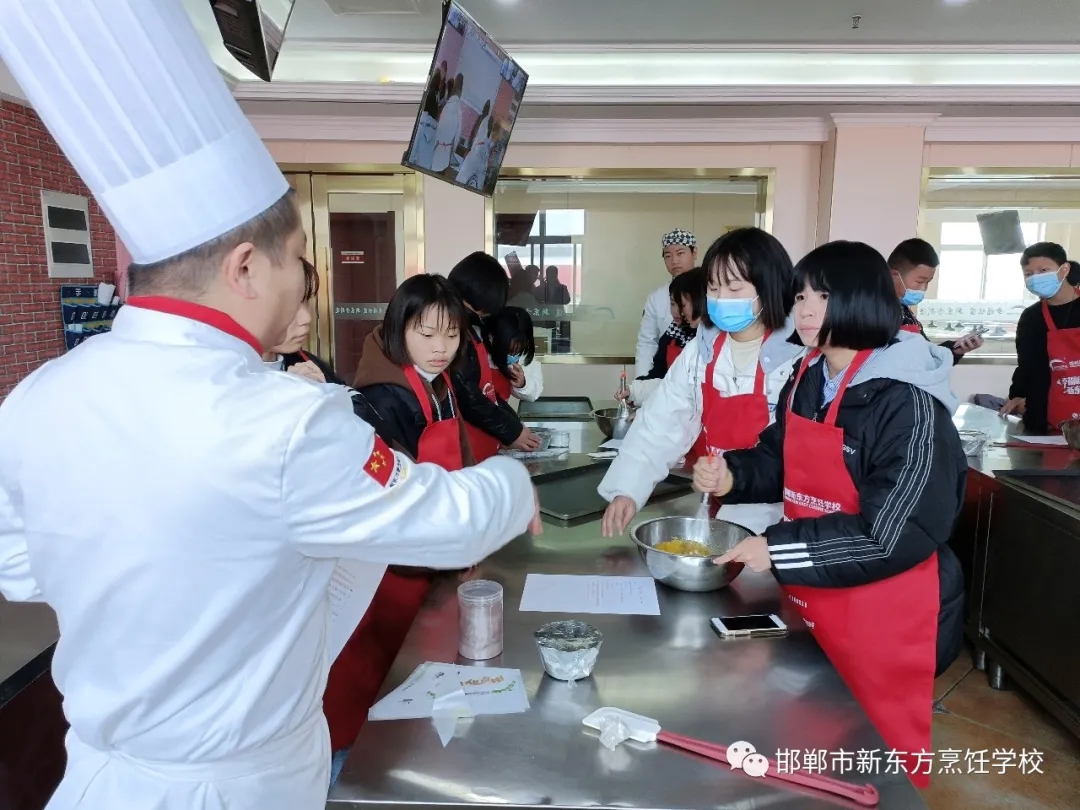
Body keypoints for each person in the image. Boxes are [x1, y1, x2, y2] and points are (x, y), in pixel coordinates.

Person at [0, 4, 541, 810]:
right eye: (295, 260)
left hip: (98, 777)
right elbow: (449, 519)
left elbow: (17, 570)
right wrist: (515, 485)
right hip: (239, 784)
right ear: (247, 268)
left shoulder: (38, 396)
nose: (301, 282)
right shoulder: (282, 420)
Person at [692, 240, 966, 788]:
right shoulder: (809, 376)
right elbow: (780, 453)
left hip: (884, 612)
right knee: (808, 744)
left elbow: (894, 533)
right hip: (815, 596)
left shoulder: (907, 401)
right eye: (800, 295)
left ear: (864, 299)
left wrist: (778, 547)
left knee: (871, 768)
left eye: (824, 295)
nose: (806, 309)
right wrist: (734, 475)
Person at [332, 273, 475, 785]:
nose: (441, 347)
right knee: (369, 681)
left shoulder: (434, 384)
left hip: (426, 561)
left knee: (404, 680)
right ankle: (350, 782)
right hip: (388, 571)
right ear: (399, 329)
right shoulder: (385, 396)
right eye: (427, 333)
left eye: (451, 334)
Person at [599, 228, 804, 537]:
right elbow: (663, 421)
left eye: (734, 289)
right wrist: (628, 488)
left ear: (768, 288)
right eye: (713, 287)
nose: (720, 299)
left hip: (782, 516)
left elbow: (799, 455)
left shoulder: (798, 355)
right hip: (719, 501)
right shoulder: (703, 350)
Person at [447, 252, 542, 460]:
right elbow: (468, 397)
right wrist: (513, 431)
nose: (484, 317)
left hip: (484, 447)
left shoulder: (470, 330)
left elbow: (487, 392)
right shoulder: (451, 332)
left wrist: (515, 426)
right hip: (463, 448)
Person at [1001, 241, 1080, 433]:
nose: (1036, 277)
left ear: (1064, 269)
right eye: (1028, 274)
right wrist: (1018, 396)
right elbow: (1027, 366)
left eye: (1043, 270)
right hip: (1047, 421)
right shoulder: (1031, 317)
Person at [887, 238, 983, 363]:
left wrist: (955, 350)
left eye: (928, 282)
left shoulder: (904, 312)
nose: (924, 288)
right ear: (894, 276)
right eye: (920, 281)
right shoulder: (877, 315)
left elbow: (925, 357)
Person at [621, 267, 706, 406]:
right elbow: (660, 377)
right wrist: (633, 392)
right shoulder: (671, 335)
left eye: (682, 305)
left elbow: (684, 390)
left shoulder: (705, 341)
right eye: (672, 304)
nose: (677, 311)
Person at [261, 258, 344, 384]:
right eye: (288, 305)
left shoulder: (309, 365)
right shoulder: (224, 379)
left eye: (306, 301)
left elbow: (354, 401)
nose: (306, 318)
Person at [634, 228, 697, 374]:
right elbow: (647, 343)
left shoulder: (710, 289)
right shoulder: (656, 297)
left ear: (694, 253)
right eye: (668, 256)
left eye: (680, 253)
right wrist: (640, 384)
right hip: (664, 375)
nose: (674, 261)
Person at [486, 306, 544, 403]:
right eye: (509, 350)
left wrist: (522, 384)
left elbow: (534, 393)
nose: (513, 356)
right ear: (492, 338)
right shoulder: (477, 350)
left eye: (518, 350)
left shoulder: (523, 356)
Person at [431, 74, 464, 174]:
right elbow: (457, 137)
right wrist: (452, 152)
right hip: (445, 154)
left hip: (435, 148)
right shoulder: (459, 112)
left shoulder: (445, 106)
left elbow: (437, 126)